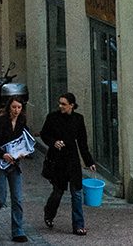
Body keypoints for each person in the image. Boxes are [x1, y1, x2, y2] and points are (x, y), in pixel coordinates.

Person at [40, 92, 96, 236]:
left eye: (64, 104)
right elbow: (44, 134)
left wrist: (89, 161)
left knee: (76, 193)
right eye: (60, 103)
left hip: (72, 160)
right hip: (57, 160)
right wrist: (54, 142)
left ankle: (78, 225)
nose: (60, 106)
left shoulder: (78, 119)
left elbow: (82, 142)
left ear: (72, 105)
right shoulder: (52, 118)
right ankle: (49, 213)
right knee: (58, 192)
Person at [0, 97, 29, 243]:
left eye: (19, 108)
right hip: (0, 164)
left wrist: (23, 153)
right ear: (9, 107)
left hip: (14, 165)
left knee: (17, 198)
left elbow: (25, 143)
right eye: (14, 107)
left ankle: (17, 231)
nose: (16, 110)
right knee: (0, 198)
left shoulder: (22, 122)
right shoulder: (2, 121)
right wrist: (3, 153)